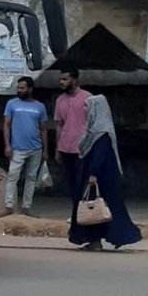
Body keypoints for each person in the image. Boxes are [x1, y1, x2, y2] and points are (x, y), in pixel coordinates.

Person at [68, 93, 142, 251]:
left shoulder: (102, 133)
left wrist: (93, 174)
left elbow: (99, 156)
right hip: (96, 176)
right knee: (97, 208)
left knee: (97, 208)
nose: (86, 112)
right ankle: (96, 240)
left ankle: (111, 237)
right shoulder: (93, 132)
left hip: (99, 177)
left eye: (88, 108)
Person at [0, 77, 48, 217]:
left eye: (22, 88)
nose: (19, 90)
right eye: (18, 88)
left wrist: (45, 150)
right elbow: (6, 125)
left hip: (36, 148)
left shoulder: (40, 106)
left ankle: (26, 207)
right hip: (17, 148)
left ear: (30, 89)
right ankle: (8, 206)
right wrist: (7, 145)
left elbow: (43, 129)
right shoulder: (11, 104)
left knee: (31, 178)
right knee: (13, 176)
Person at [50, 66, 91, 199]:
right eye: (60, 79)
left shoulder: (88, 98)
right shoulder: (60, 100)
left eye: (65, 79)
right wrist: (57, 149)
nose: (61, 82)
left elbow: (94, 124)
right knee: (71, 182)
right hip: (65, 147)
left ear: (74, 80)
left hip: (83, 148)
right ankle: (76, 212)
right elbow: (59, 125)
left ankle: (85, 212)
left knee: (83, 181)